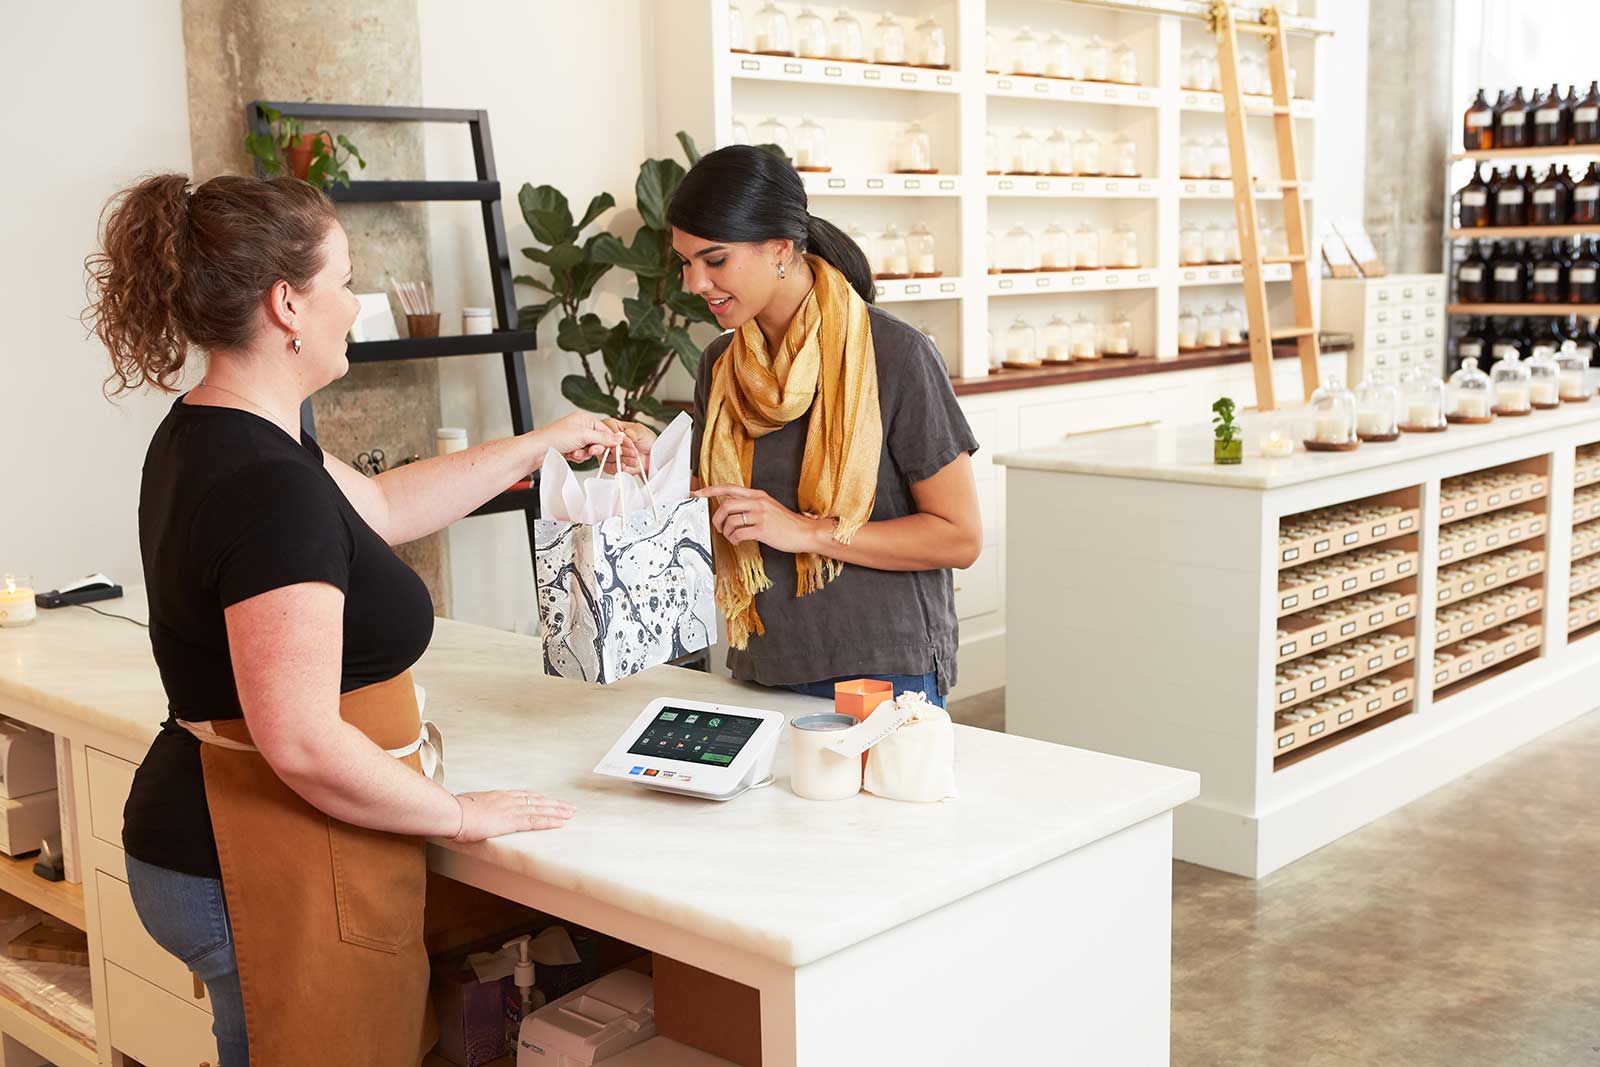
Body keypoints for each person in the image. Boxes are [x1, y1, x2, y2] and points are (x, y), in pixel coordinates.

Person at [84, 173, 623, 1066]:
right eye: (344, 280)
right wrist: (455, 813)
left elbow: (375, 504)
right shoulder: (267, 487)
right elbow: (297, 739)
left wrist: (537, 445)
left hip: (208, 835)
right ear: (287, 303)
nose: (357, 303)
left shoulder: (221, 426)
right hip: (252, 854)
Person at [607, 145, 982, 707]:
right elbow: (729, 512)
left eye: (714, 260)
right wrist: (652, 467)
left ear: (780, 249)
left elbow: (959, 536)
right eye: (685, 263)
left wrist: (803, 531)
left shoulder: (896, 356)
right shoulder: (721, 364)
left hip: (881, 670)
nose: (694, 283)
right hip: (763, 663)